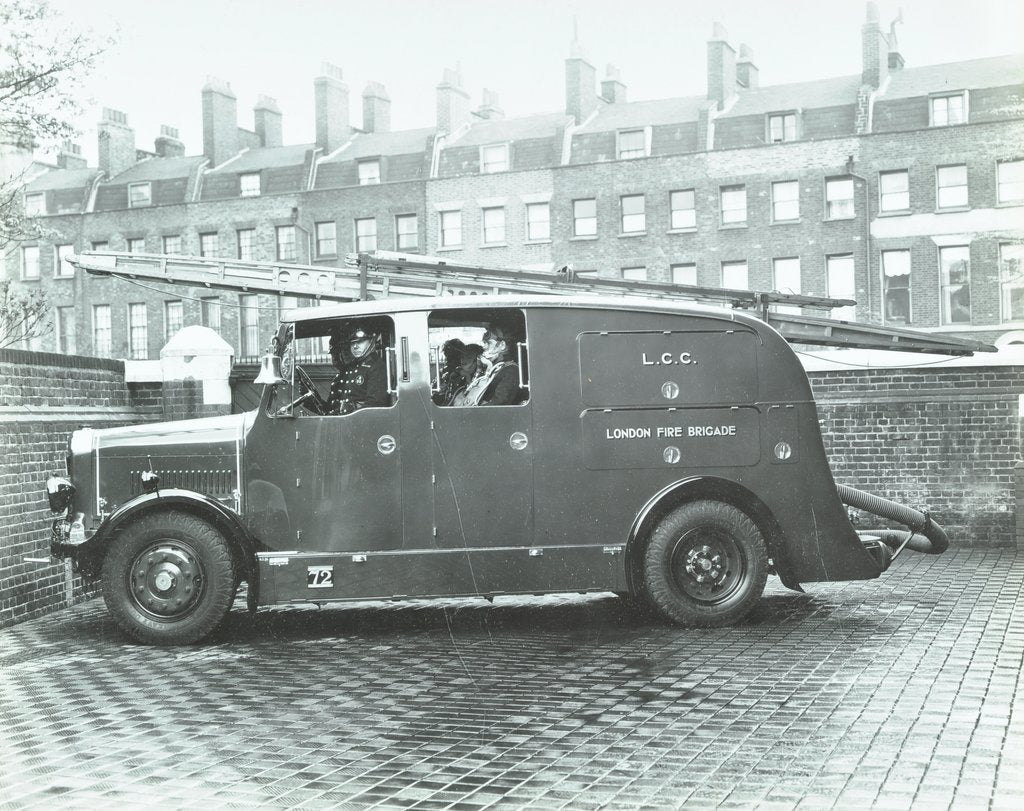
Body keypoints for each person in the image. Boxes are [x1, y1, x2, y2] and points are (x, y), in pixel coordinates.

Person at [326, 324, 390, 414]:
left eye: (360, 342)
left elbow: (374, 406)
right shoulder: (353, 367)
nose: (355, 346)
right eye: (352, 343)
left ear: (371, 341)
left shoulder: (377, 368)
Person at [455, 324, 521, 406]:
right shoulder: (492, 367)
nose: (484, 347)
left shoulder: (510, 370)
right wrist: (480, 368)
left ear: (502, 345)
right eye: (484, 343)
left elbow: (499, 404)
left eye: (488, 343)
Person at [434, 338, 466, 405]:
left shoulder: (463, 374)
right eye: (447, 356)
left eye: (452, 357)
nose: (448, 359)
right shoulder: (444, 371)